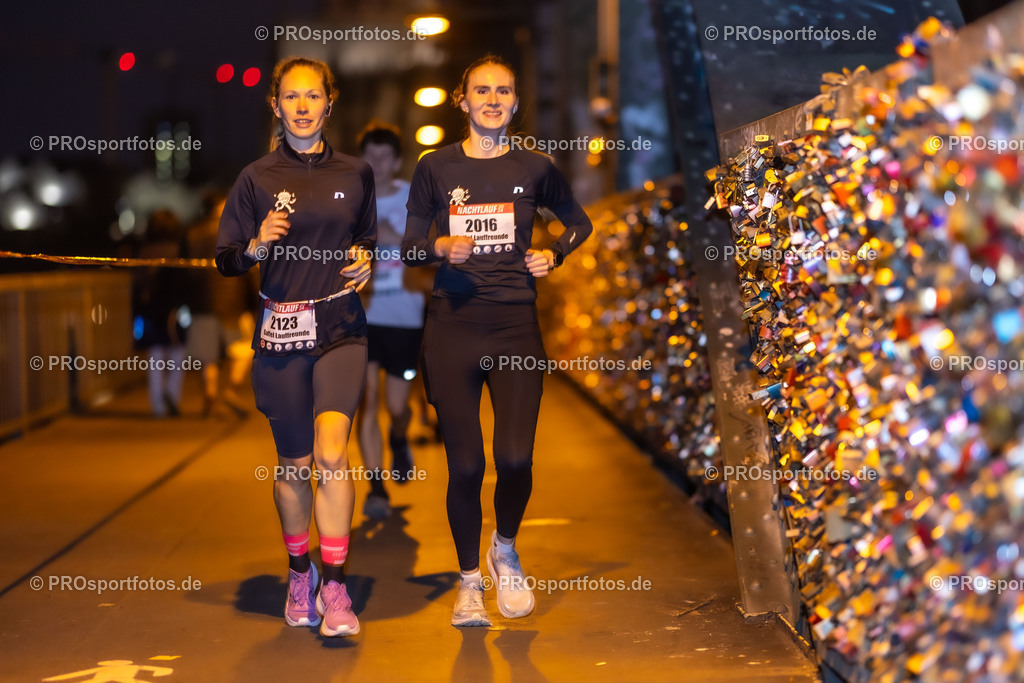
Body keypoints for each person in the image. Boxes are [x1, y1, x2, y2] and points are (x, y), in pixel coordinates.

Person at [402, 55, 593, 627]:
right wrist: (439, 247)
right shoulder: (435, 167)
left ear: (514, 103)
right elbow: (409, 246)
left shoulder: (535, 167)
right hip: (453, 326)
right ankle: (468, 583)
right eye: (481, 91)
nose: (492, 100)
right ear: (462, 101)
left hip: (514, 327)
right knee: (465, 467)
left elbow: (578, 223)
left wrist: (553, 253)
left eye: (503, 91)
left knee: (514, 460)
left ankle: (504, 550)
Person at [215, 56, 376, 637]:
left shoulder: (357, 172)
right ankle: (299, 572)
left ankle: (335, 586)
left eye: (313, 96)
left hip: (339, 327)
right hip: (282, 333)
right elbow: (226, 260)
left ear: (330, 103)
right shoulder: (255, 178)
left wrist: (364, 261)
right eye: (291, 96)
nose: (303, 106)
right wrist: (256, 245)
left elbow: (366, 238)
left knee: (333, 453)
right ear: (276, 105)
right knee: (295, 464)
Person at [355, 122, 426, 520]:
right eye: (370, 155)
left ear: (397, 161)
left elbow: (431, 249)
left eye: (385, 156)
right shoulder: (350, 202)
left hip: (404, 316)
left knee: (397, 405)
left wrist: (392, 237)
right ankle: (376, 487)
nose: (378, 163)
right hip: (361, 316)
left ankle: (399, 437)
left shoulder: (413, 199)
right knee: (367, 401)